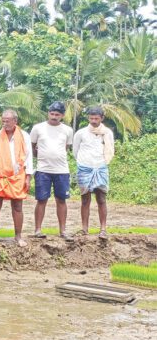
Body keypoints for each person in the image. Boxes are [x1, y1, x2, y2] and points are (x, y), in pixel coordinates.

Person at [0, 110, 33, 247]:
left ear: (15, 121)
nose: (4, 123)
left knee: (18, 207)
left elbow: (29, 157)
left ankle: (18, 237)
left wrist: (28, 177)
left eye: (7, 121)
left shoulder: (24, 136)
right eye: (3, 120)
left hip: (18, 176)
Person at [30, 101, 74, 241]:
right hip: (43, 169)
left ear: (62, 115)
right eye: (52, 114)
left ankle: (63, 230)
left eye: (57, 115)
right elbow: (32, 147)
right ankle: (38, 229)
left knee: (61, 200)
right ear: (48, 113)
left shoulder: (67, 130)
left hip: (61, 170)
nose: (54, 117)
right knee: (41, 199)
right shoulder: (38, 128)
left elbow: (65, 148)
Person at [73, 106, 115, 240]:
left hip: (101, 167)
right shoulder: (81, 133)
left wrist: (100, 163)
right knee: (85, 199)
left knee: (101, 199)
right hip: (84, 168)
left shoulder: (107, 133)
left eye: (96, 118)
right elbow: (75, 151)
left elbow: (110, 149)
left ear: (102, 118)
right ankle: (84, 229)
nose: (93, 121)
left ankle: (103, 229)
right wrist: (84, 163)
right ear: (88, 118)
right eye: (91, 118)